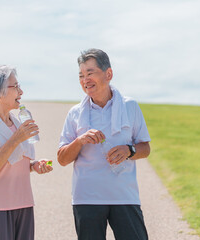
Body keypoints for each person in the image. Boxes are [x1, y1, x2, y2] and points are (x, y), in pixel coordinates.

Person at [58, 48, 151, 240]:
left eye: (90, 73)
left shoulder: (130, 106)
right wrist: (80, 140)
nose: (85, 80)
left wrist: (129, 150)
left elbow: (145, 148)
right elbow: (62, 158)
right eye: (81, 75)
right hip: (87, 198)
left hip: (124, 196)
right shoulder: (75, 113)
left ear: (108, 74)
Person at [0, 65, 53, 240]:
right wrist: (16, 138)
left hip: (23, 204)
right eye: (15, 87)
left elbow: (13, 161)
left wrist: (34, 165)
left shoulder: (15, 122)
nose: (21, 91)